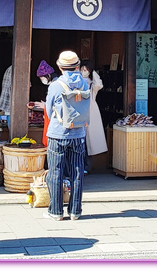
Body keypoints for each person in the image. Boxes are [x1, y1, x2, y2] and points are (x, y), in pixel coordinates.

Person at [43, 50, 91, 221]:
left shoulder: (55, 85)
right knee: (77, 172)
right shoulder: (85, 84)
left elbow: (48, 111)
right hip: (78, 133)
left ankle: (56, 211)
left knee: (56, 171)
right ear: (77, 66)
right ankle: (75, 211)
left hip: (58, 133)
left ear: (60, 67)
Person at [80, 63, 108, 173]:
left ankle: (87, 166)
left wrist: (94, 72)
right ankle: (81, 165)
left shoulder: (92, 84)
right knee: (80, 140)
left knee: (89, 141)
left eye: (86, 69)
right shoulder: (76, 81)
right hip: (79, 111)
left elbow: (99, 84)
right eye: (82, 69)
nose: (83, 71)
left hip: (90, 110)